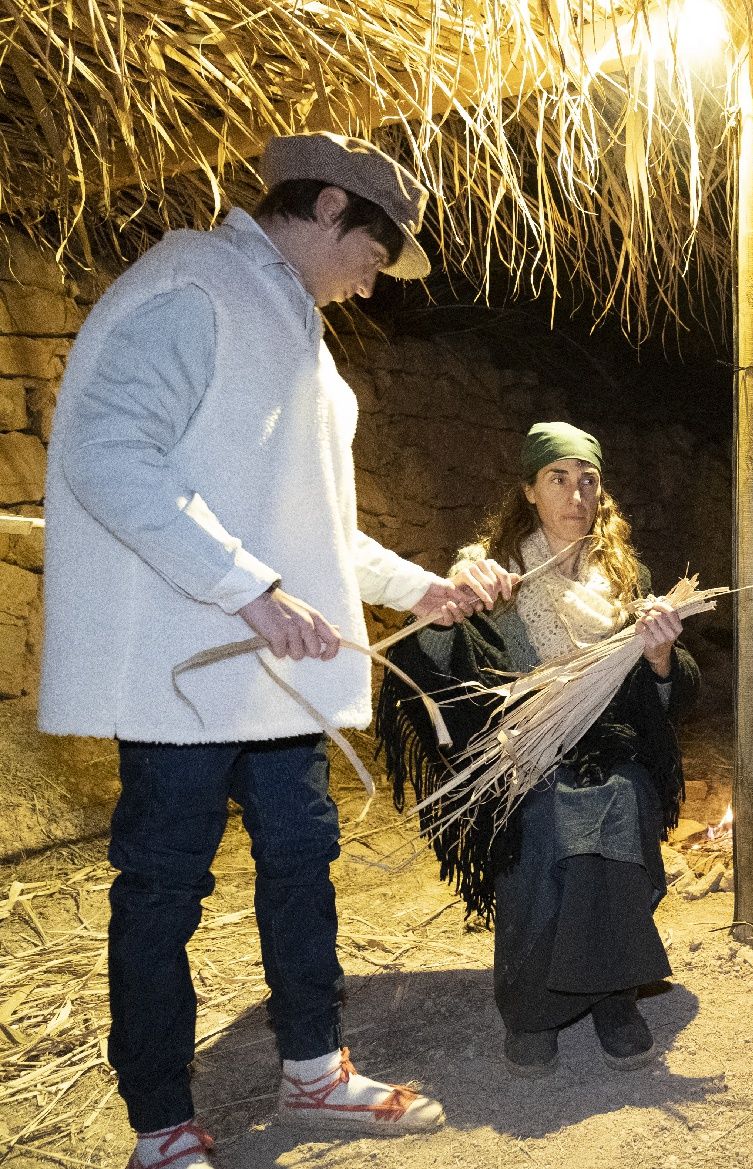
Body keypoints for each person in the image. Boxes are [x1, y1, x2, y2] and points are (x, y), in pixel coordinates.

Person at [38, 132, 497, 1168]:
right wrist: (247, 588)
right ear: (331, 204)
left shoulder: (291, 322)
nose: (379, 278)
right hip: (186, 673)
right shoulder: (191, 282)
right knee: (163, 884)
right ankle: (162, 1126)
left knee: (302, 862)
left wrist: (413, 584)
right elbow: (109, 453)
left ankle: (313, 1070)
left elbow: (311, 527)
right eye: (378, 250)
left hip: (274, 676)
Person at [382, 423, 695, 1074]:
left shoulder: (624, 579)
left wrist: (660, 657)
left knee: (622, 794)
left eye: (588, 480)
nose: (575, 493)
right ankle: (532, 1007)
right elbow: (436, 661)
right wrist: (450, 602)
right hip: (523, 756)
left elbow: (660, 699)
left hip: (608, 751)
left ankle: (612, 997)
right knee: (550, 815)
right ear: (529, 489)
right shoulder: (498, 578)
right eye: (559, 478)